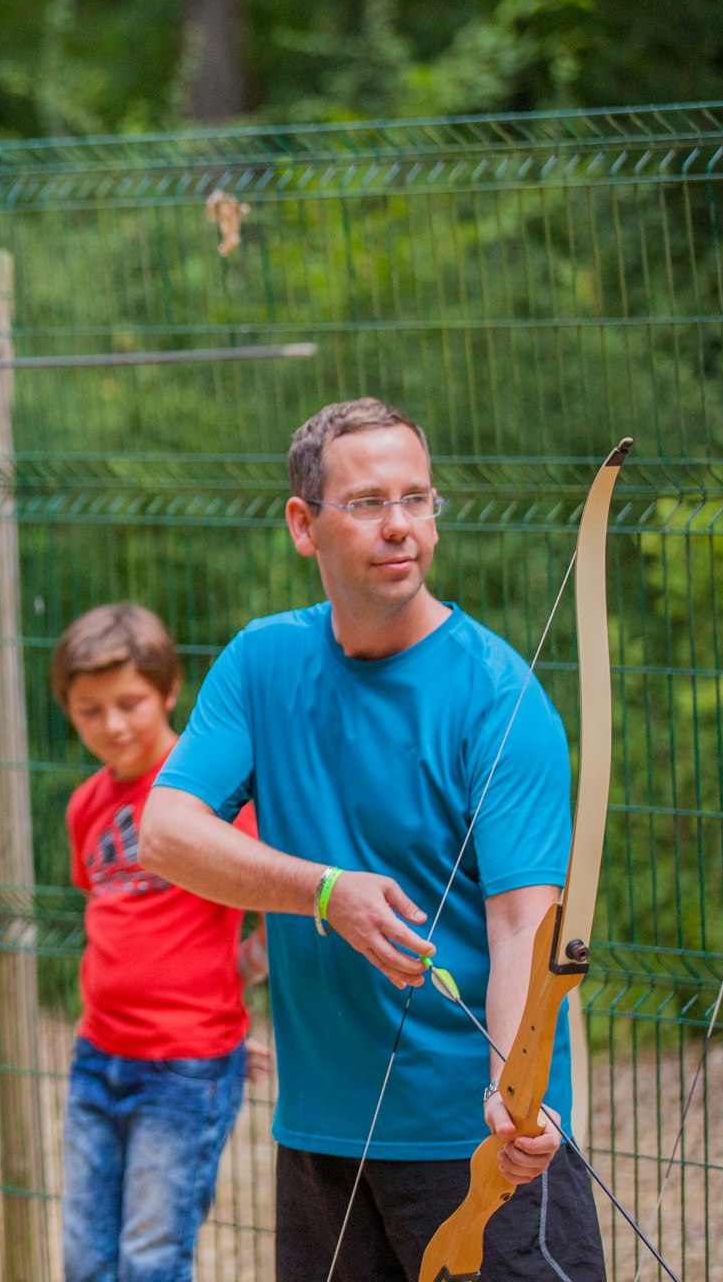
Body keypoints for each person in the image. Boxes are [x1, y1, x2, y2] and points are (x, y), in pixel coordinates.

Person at [139, 398, 602, 1281]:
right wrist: (323, 891)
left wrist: (518, 1099)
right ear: (303, 525)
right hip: (319, 1139)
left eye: (418, 500)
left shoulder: (498, 696)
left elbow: (523, 929)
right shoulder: (261, 663)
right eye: (368, 503)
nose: (401, 527)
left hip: (480, 1149)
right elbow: (164, 832)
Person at [52, 602, 263, 1282]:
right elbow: (113, 919)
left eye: (130, 703)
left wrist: (224, 1000)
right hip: (97, 1058)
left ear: (169, 692)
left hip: (185, 1070)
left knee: (150, 1261)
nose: (112, 725)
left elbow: (275, 906)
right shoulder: (86, 805)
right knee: (86, 1259)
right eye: (91, 710)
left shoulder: (209, 791)